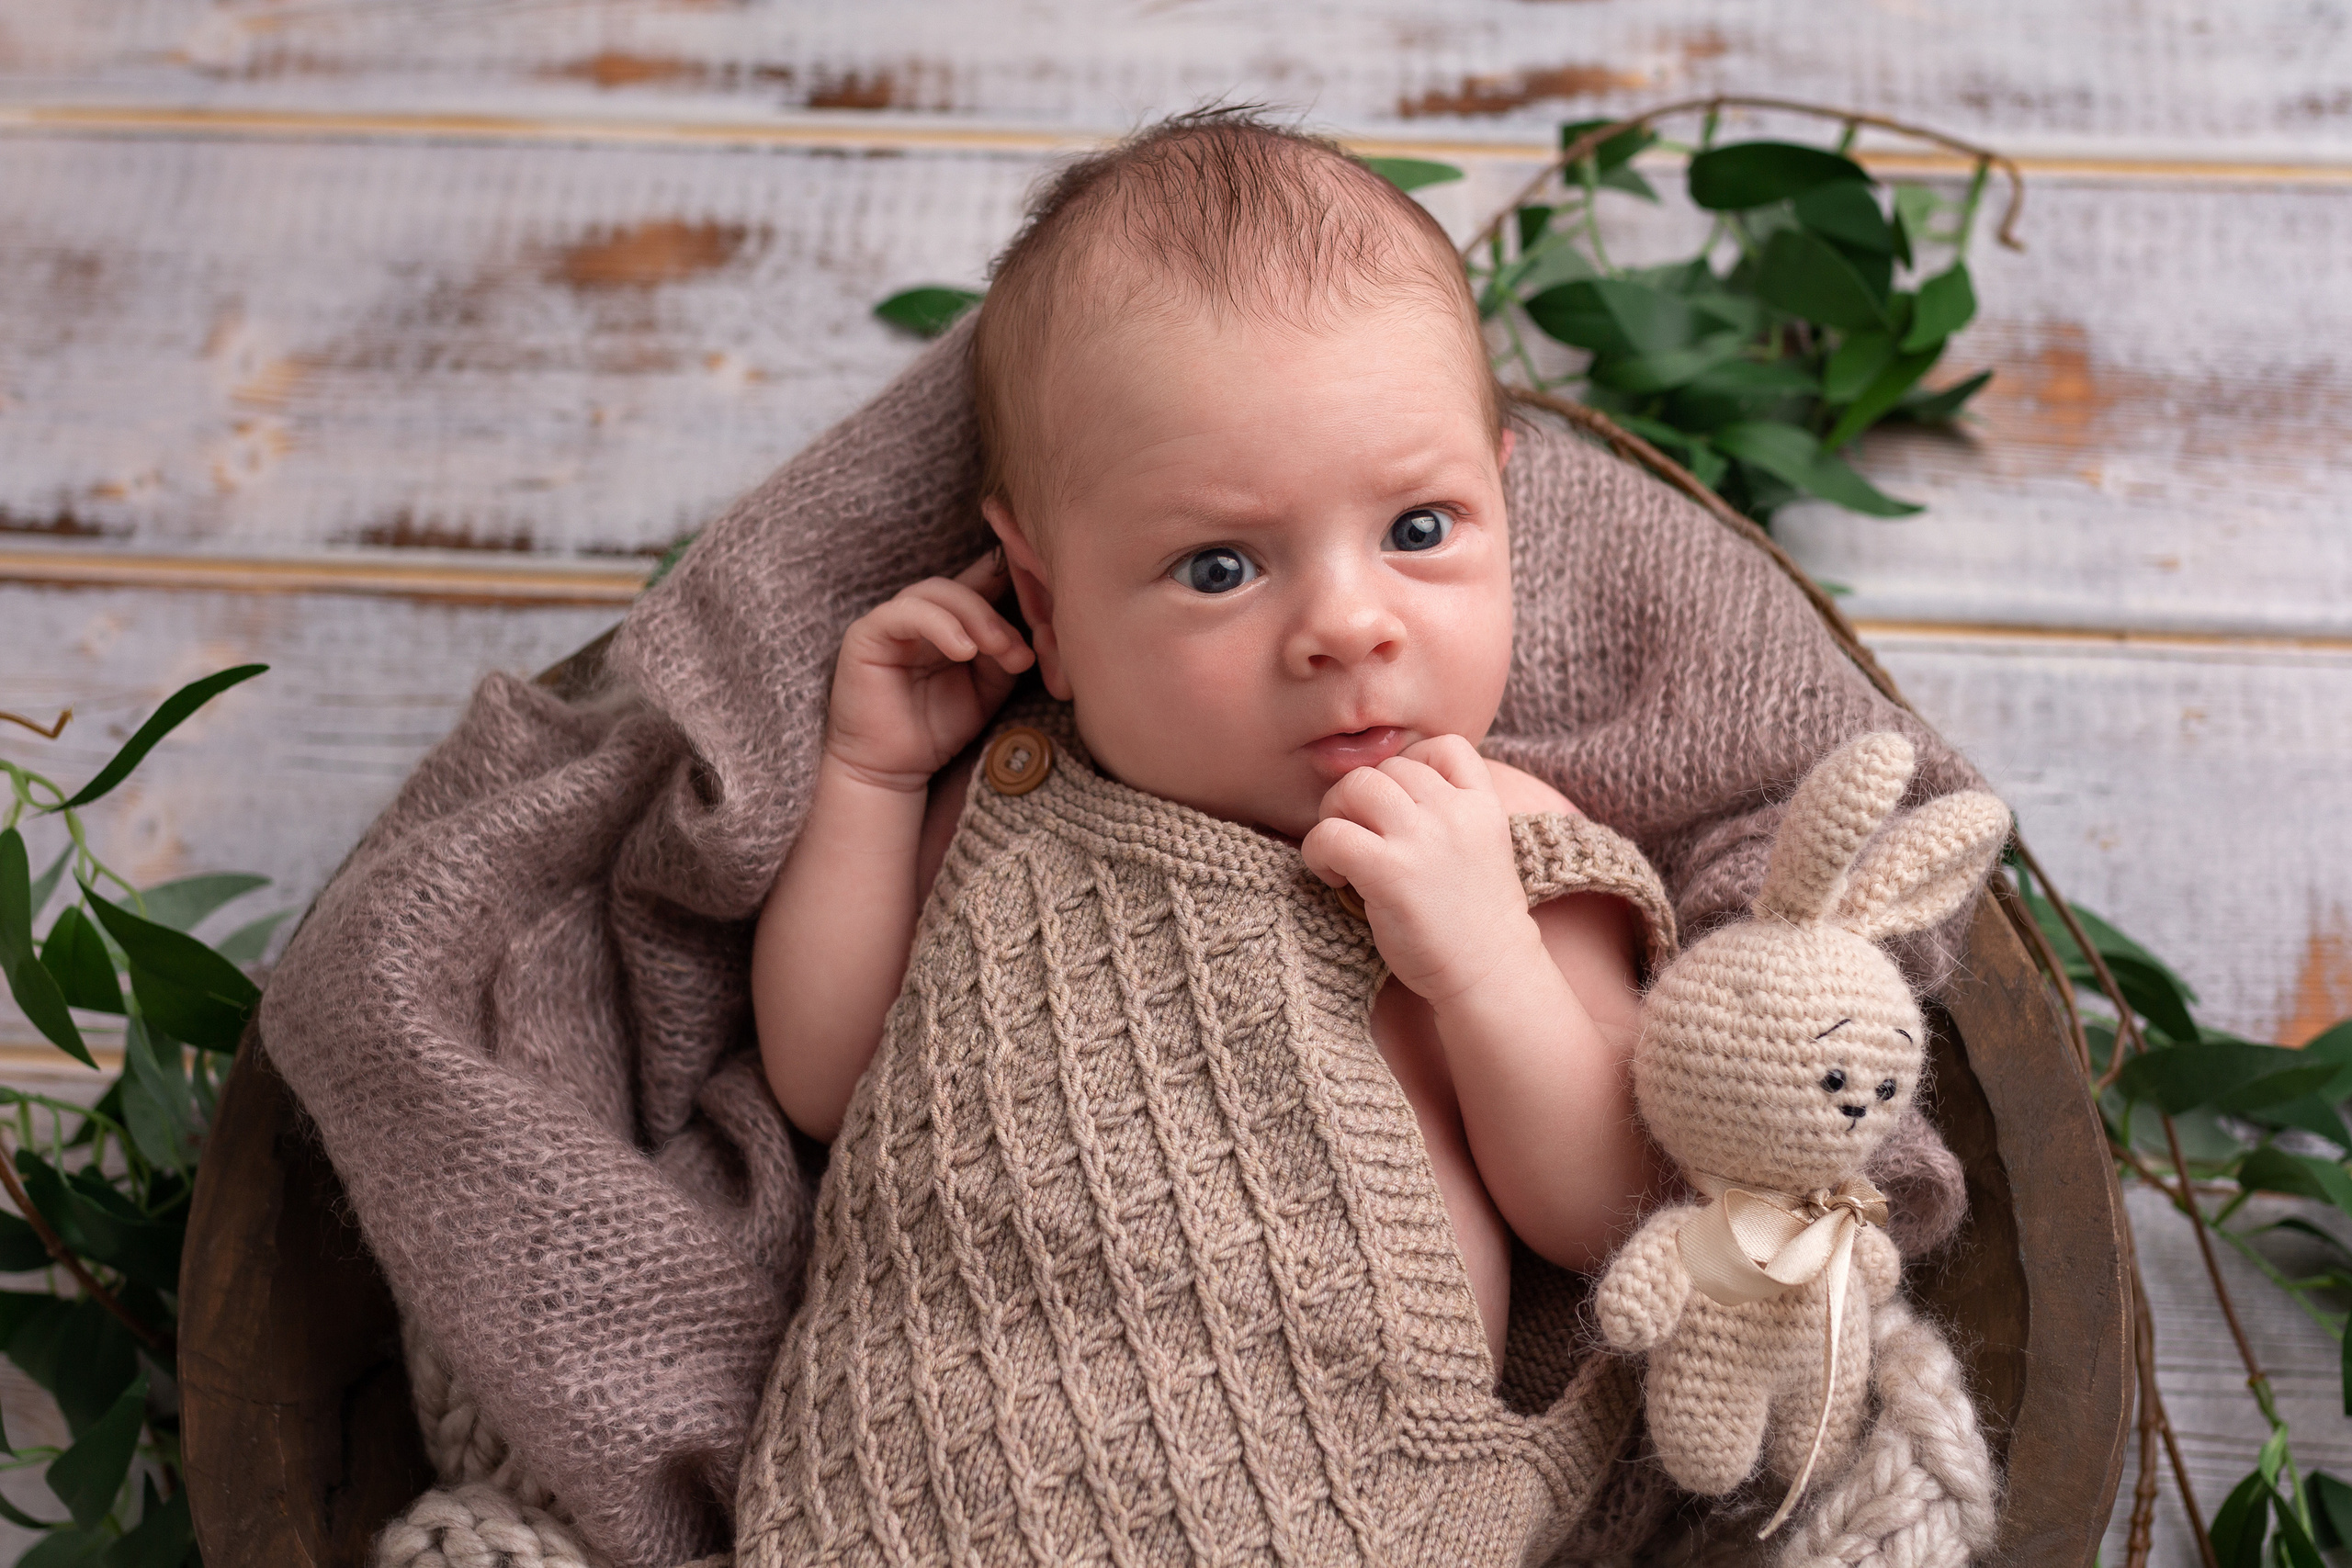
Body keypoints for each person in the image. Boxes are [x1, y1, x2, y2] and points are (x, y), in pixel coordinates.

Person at [740, 108, 1681, 1564]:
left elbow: (1611, 1212)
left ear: (1505, 496)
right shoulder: (1016, 810)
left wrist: (1484, 965)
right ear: (1046, 609)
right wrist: (869, 785)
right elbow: (822, 1080)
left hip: (1317, 1511)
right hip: (909, 1473)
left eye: (1420, 530)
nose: (1348, 626)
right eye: (1221, 566)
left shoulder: (1497, 841)